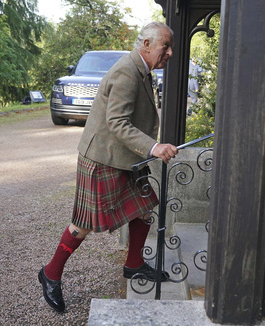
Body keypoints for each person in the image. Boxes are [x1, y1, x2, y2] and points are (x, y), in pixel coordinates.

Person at [38, 22, 179, 313]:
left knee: (143, 206)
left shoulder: (140, 68)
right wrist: (154, 147)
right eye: (165, 46)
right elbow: (117, 123)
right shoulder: (127, 72)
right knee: (84, 223)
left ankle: (134, 264)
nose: (170, 52)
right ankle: (50, 274)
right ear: (147, 45)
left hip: (125, 156)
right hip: (103, 158)